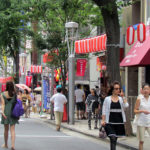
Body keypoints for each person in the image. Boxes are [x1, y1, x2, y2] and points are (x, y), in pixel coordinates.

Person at [102, 81, 129, 150]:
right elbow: (104, 110)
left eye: (119, 88)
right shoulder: (107, 99)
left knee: (114, 139)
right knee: (113, 137)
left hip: (119, 122)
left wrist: (123, 98)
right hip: (110, 122)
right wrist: (103, 120)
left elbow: (126, 106)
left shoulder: (121, 99)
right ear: (112, 90)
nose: (118, 90)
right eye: (116, 88)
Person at [1, 81, 19, 150]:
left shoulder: (3, 94)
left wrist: (3, 113)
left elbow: (3, 104)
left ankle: (6, 144)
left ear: (6, 86)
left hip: (6, 112)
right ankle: (13, 145)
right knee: (13, 130)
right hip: (13, 113)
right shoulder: (15, 94)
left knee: (6, 130)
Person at [134, 83, 150, 150]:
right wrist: (142, 111)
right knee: (141, 141)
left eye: (147, 89)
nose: (146, 90)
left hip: (149, 122)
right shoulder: (139, 99)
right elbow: (135, 110)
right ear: (142, 90)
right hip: (141, 122)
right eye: (144, 89)